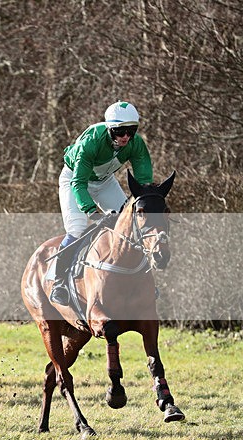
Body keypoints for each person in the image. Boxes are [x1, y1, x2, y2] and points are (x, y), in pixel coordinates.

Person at [49, 101, 153, 306]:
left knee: (131, 223)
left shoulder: (135, 143)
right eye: (120, 131)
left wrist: (147, 195)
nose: (126, 136)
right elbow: (78, 183)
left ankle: (142, 281)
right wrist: (91, 211)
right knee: (78, 228)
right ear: (109, 128)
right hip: (75, 181)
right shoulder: (92, 142)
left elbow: (143, 176)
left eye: (131, 131)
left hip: (105, 182)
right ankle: (58, 283)